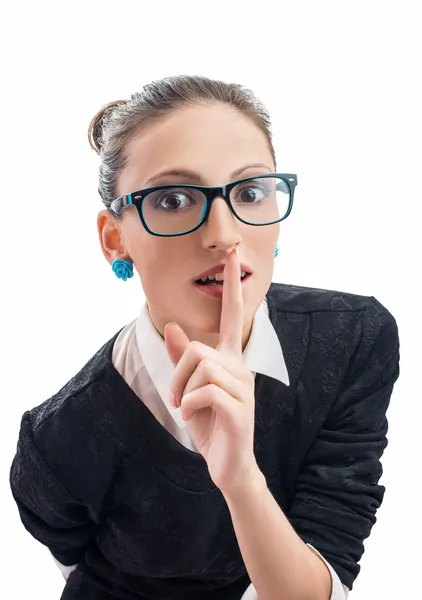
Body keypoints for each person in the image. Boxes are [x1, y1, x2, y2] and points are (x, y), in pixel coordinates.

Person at [9, 75, 400, 600]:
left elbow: (320, 577)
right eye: (173, 199)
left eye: (250, 192)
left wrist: (240, 479)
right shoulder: (58, 438)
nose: (223, 233)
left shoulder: (354, 338)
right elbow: (76, 564)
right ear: (115, 238)